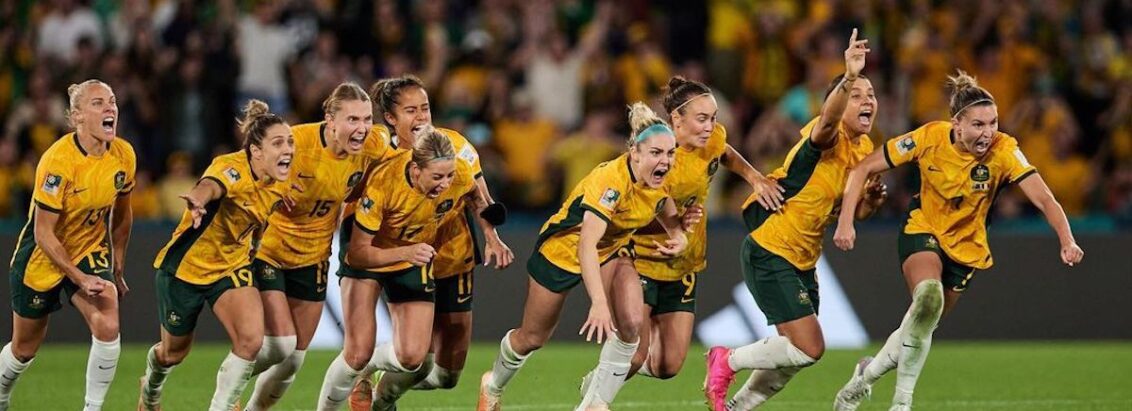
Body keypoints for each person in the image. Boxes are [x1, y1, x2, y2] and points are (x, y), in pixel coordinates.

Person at [830, 71, 1085, 411]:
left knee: (918, 327)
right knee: (928, 296)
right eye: (978, 125)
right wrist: (847, 221)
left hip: (967, 249)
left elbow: (1044, 199)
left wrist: (1066, 240)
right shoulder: (929, 137)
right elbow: (862, 168)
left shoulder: (1005, 150)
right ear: (957, 124)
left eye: (993, 123)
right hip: (924, 229)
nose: (988, 132)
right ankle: (902, 404)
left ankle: (863, 379)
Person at [703, 29, 886, 411]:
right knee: (810, 347)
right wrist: (849, 75)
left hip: (803, 259)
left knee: (793, 353)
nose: (867, 100)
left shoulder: (864, 150)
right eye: (857, 95)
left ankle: (735, 408)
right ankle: (727, 359)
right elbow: (827, 120)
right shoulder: (825, 138)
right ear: (837, 104)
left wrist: (868, 201)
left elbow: (846, 213)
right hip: (772, 250)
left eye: (871, 95)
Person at [477, 102, 689, 411]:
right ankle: (492, 384)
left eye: (670, 153)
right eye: (656, 153)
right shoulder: (611, 182)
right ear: (635, 153)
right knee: (532, 337)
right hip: (564, 251)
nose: (666, 160)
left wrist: (679, 236)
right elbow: (585, 244)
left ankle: (593, 404)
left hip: (613, 250)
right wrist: (599, 303)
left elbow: (667, 210)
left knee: (630, 326)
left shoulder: (664, 176)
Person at [593, 76, 783, 389]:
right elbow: (630, 214)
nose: (710, 126)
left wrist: (755, 177)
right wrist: (676, 224)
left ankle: (605, 375)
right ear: (676, 119)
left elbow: (725, 151)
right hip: (640, 257)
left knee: (668, 365)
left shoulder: (712, 140)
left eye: (713, 118)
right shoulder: (655, 154)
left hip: (683, 262)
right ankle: (592, 397)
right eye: (702, 119)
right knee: (635, 354)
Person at [349, 75, 514, 411]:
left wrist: (492, 237)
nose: (422, 117)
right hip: (404, 259)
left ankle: (382, 388)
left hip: (453, 256)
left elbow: (477, 195)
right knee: (413, 357)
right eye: (411, 110)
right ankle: (371, 379)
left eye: (425, 107)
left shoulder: (456, 147)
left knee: (447, 375)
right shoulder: (378, 152)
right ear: (392, 119)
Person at [316, 127, 488, 411]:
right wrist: (406, 252)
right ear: (415, 168)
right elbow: (358, 255)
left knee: (414, 360)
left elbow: (474, 194)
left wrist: (491, 237)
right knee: (357, 354)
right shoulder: (385, 183)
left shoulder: (458, 176)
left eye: (449, 175)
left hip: (411, 252)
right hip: (372, 252)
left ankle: (375, 391)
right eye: (437, 177)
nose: (445, 184)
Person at [138, 100, 294, 411]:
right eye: (278, 143)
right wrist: (197, 200)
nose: (288, 149)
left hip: (231, 267)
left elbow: (261, 214)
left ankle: (221, 405)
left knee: (251, 340)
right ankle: (151, 389)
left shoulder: (281, 181)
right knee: (173, 353)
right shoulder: (231, 168)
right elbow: (210, 186)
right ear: (256, 152)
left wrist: (255, 245)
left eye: (290, 142)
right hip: (186, 270)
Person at [0, 80, 135, 411]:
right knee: (24, 349)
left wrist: (117, 264)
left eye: (113, 101)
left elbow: (123, 213)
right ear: (77, 117)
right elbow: (44, 233)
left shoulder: (123, 155)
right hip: (42, 257)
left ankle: (92, 408)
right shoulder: (57, 161)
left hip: (89, 250)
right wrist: (79, 278)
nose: (110, 108)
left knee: (108, 322)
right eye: (98, 103)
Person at [242, 83, 375, 410]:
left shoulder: (375, 145)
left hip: (314, 257)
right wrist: (271, 187)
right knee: (280, 345)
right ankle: (230, 385)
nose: (362, 128)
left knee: (292, 361)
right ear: (330, 120)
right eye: (353, 120)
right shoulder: (296, 142)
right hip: (269, 251)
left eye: (367, 119)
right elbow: (247, 172)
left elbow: (404, 158)